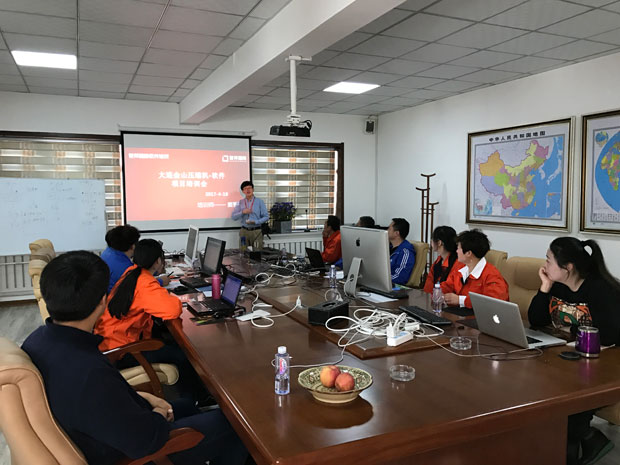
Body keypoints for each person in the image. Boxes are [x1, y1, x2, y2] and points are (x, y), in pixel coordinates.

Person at [22, 250, 248, 465]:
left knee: (187, 405)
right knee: (237, 425)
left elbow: (103, 403)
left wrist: (144, 398)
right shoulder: (89, 373)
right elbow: (145, 442)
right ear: (102, 301)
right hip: (134, 451)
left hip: (106, 428)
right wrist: (158, 413)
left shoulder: (38, 340)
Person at [528, 237, 620, 465]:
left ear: (568, 267)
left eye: (549, 260)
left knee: (569, 394)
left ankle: (577, 442)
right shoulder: (557, 285)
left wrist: (571, 328)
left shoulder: (600, 289)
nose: (545, 265)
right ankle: (582, 438)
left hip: (605, 360)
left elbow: (609, 334)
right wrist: (545, 287)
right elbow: (536, 320)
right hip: (570, 356)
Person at [96, 239, 182, 352]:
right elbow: (173, 310)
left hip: (109, 339)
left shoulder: (131, 272)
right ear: (158, 261)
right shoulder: (145, 283)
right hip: (122, 349)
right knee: (181, 354)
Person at [441, 229, 508, 308]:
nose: (456, 251)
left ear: (468, 253)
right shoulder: (461, 269)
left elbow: (493, 303)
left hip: (479, 315)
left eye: (458, 248)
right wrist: (438, 292)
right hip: (459, 312)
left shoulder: (492, 275)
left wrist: (461, 300)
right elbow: (446, 286)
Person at [101, 225, 171, 293]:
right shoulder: (124, 267)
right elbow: (140, 286)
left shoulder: (108, 252)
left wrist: (155, 271)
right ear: (133, 246)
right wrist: (161, 281)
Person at [423, 226, 463, 293]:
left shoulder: (458, 263)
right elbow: (429, 283)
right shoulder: (438, 260)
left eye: (432, 239)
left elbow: (449, 287)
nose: (431, 242)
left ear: (439, 242)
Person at [231, 180, 268, 250]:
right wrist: (242, 212)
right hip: (244, 232)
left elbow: (266, 216)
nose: (247, 190)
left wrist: (256, 222)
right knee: (243, 251)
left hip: (256, 231)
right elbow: (233, 217)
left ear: (253, 189)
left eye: (249, 188)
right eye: (245, 189)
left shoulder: (259, 201)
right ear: (243, 191)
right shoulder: (240, 202)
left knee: (257, 252)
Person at [388, 218, 416, 286]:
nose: (386, 231)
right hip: (382, 284)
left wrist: (382, 280)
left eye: (389, 229)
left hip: (393, 287)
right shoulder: (388, 248)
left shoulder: (405, 252)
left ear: (396, 233)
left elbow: (400, 277)